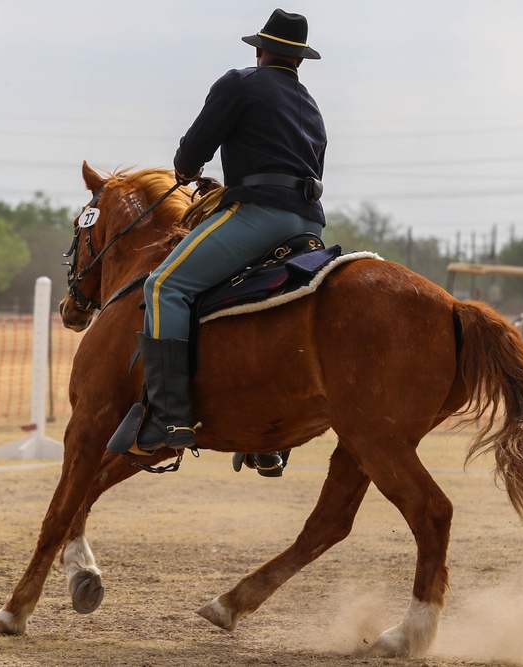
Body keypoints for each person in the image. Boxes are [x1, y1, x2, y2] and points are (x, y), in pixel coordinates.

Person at [107, 9, 327, 477]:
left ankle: (168, 418)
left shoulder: (240, 82)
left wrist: (187, 174)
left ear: (259, 50)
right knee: (245, 303)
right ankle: (264, 439)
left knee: (165, 287)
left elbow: (190, 154)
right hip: (307, 225)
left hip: (258, 217)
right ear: (300, 60)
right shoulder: (309, 104)